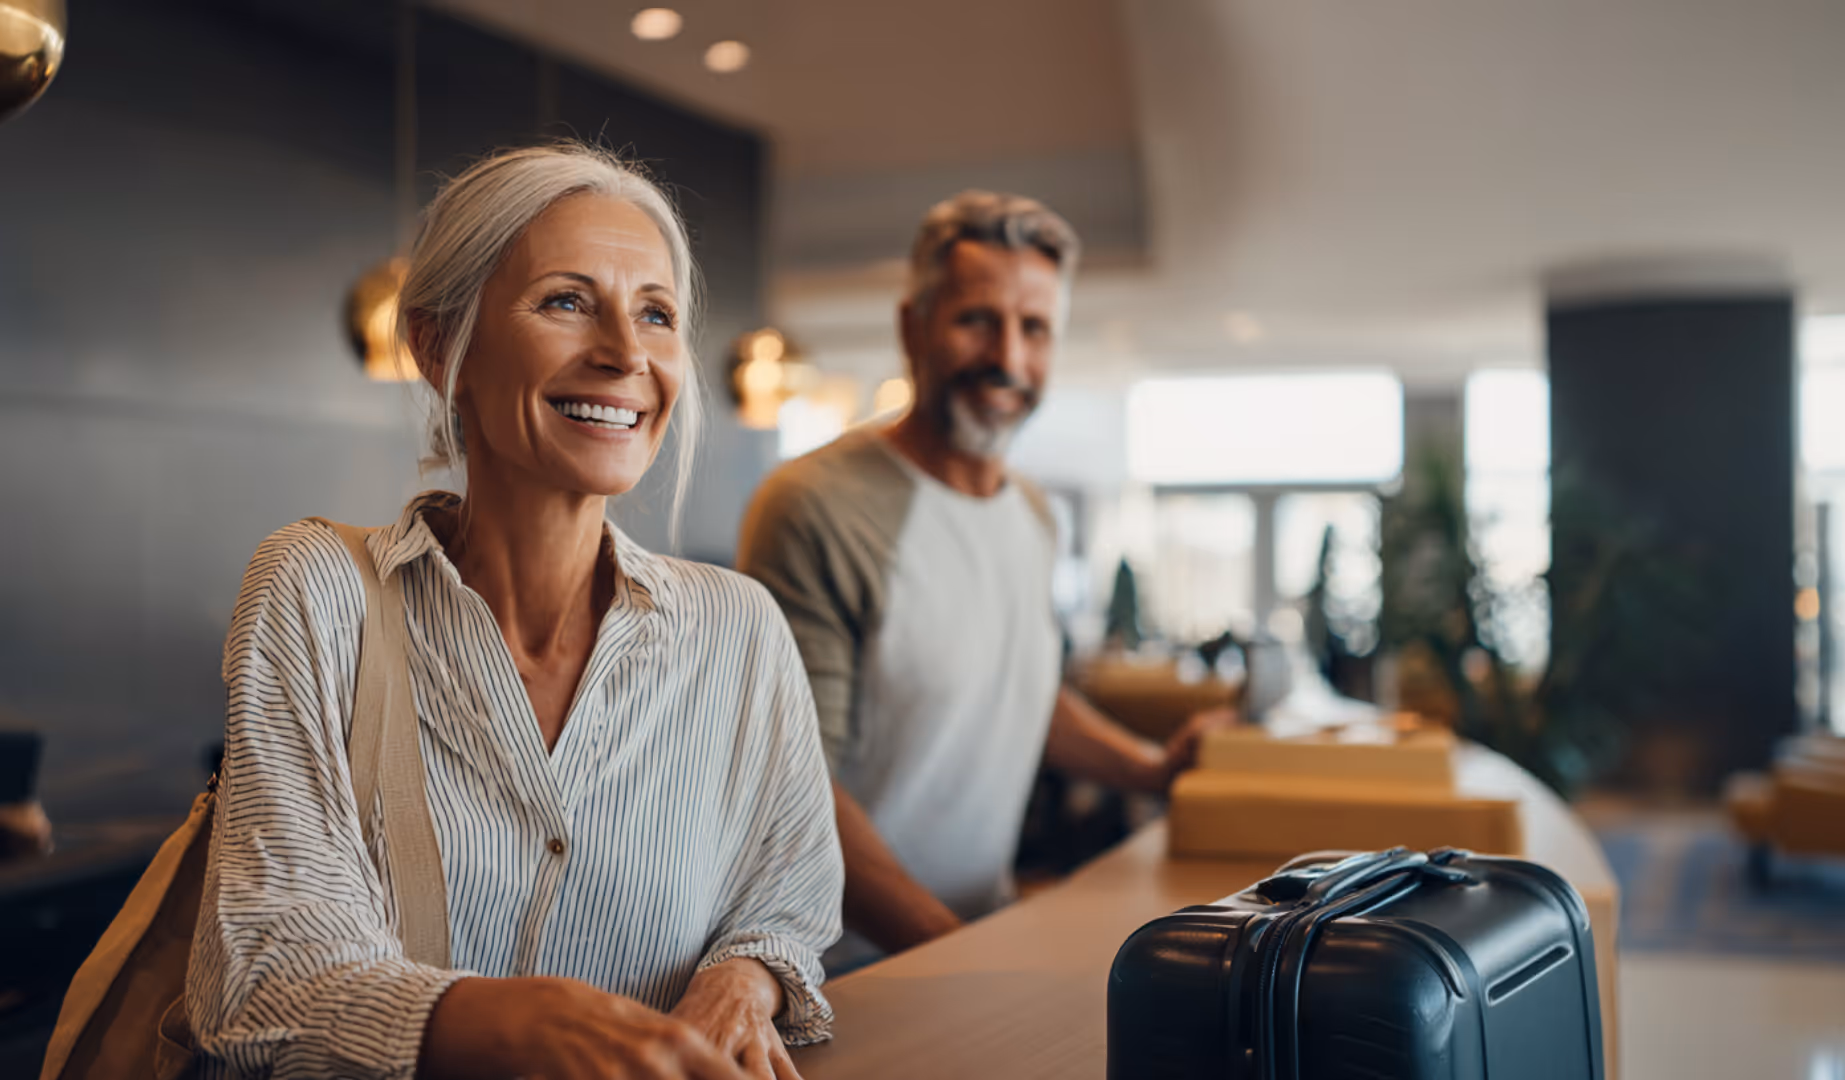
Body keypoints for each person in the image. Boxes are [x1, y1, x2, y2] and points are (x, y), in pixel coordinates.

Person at [186, 143, 841, 1080]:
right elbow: (266, 970)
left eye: (655, 314)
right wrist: (503, 1021)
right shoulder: (318, 590)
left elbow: (792, 897)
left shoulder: (738, 628)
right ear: (440, 345)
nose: (624, 354)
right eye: (567, 302)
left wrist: (746, 976)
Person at [737, 191, 1232, 969]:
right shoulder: (816, 505)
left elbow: (1016, 690)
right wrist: (958, 957)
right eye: (976, 319)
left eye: (1034, 328)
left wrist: (1152, 768)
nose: (1008, 356)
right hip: (836, 970)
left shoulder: (1033, 513)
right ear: (913, 328)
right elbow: (796, 788)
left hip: (970, 941)